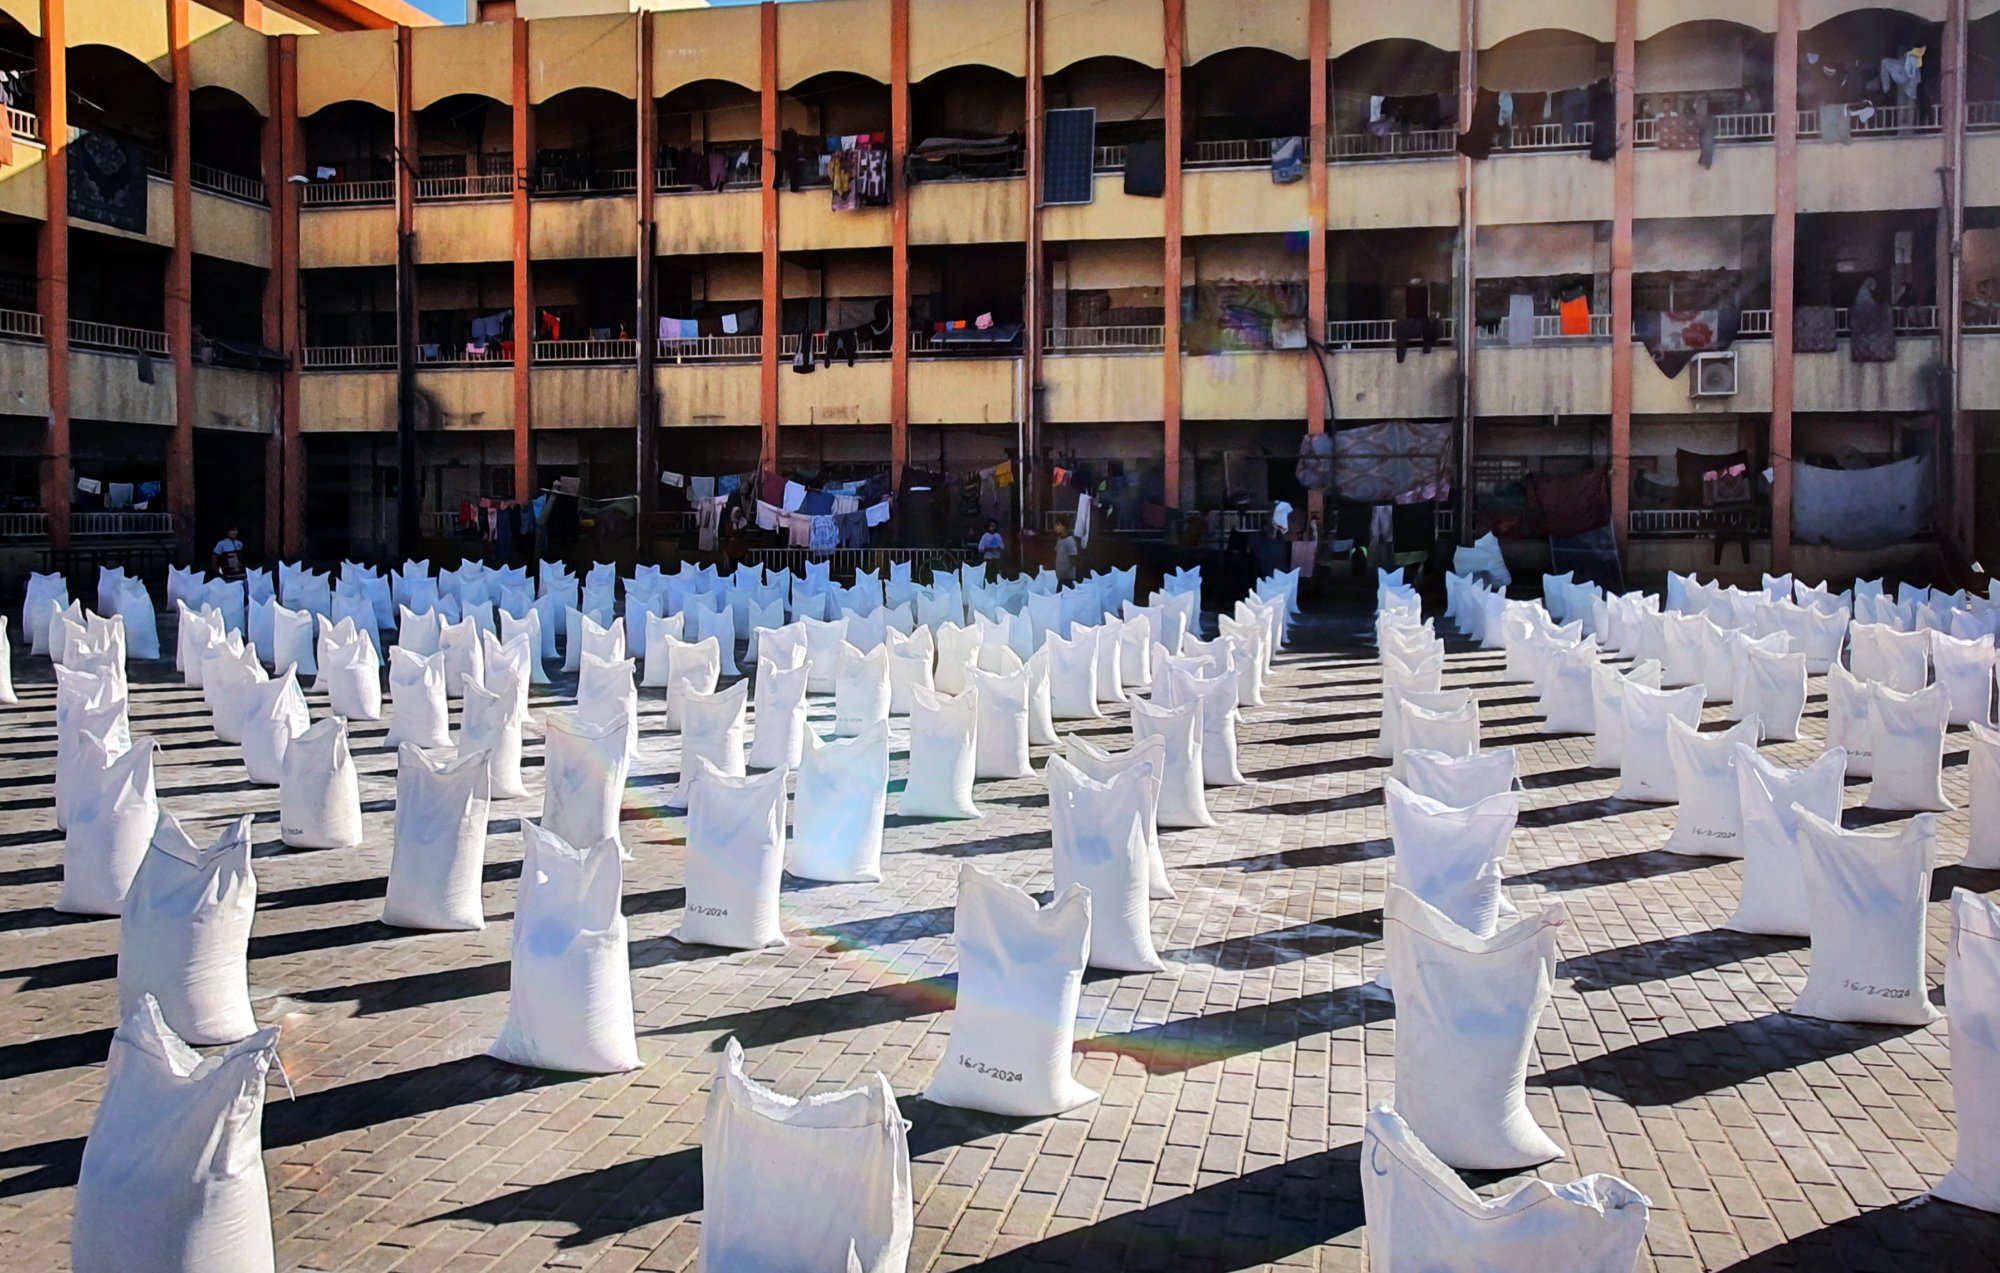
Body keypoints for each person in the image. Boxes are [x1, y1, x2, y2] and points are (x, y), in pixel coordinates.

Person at [1053, 519, 1079, 586]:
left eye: (1058, 525)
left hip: (1068, 577)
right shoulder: (1059, 539)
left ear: (1064, 527)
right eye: (1056, 525)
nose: (1056, 527)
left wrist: (1065, 571)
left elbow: (1074, 558)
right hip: (1060, 576)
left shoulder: (1070, 540)